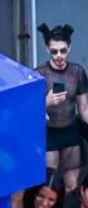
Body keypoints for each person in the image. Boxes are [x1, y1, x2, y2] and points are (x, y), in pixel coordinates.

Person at [36, 23, 88, 202]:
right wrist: (45, 102)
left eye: (63, 51)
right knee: (51, 187)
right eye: (54, 51)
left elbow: (84, 109)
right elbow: (28, 113)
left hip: (70, 132)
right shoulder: (39, 74)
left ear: (69, 47)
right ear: (47, 49)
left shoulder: (77, 72)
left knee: (72, 186)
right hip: (49, 133)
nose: (59, 56)